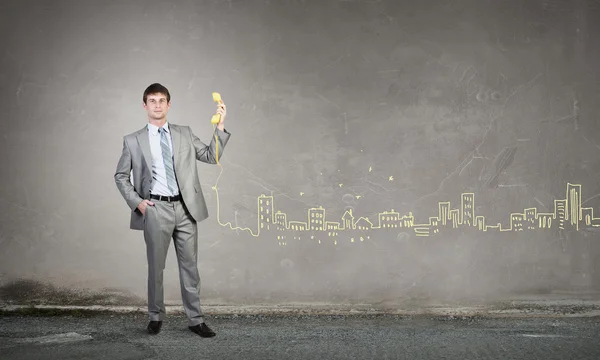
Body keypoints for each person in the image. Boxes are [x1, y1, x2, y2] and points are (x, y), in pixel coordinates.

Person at [114, 83, 231, 337]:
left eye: (162, 100)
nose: (157, 104)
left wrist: (219, 126)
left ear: (169, 105)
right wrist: (138, 203)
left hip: (186, 209)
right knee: (156, 268)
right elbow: (121, 176)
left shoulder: (184, 133)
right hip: (155, 209)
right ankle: (155, 316)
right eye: (152, 100)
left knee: (190, 267)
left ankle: (196, 320)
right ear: (145, 106)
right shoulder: (132, 141)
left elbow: (212, 156)